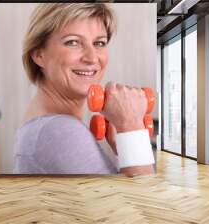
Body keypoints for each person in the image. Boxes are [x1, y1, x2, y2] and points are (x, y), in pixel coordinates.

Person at [13, 3, 155, 175]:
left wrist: (124, 148)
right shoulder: (61, 131)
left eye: (99, 43)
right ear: (38, 55)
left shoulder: (45, 126)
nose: (91, 57)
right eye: (73, 42)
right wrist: (131, 126)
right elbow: (142, 200)